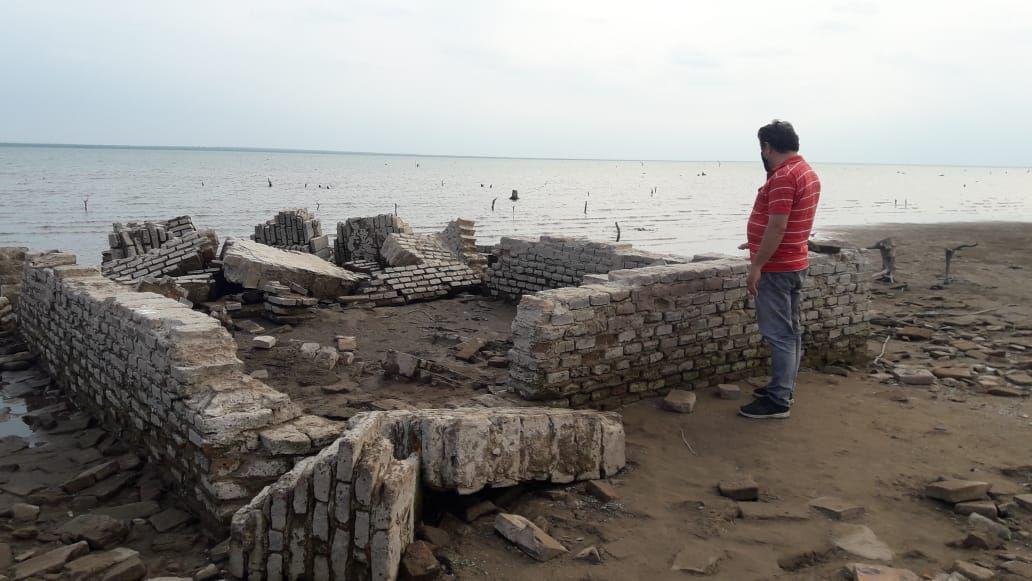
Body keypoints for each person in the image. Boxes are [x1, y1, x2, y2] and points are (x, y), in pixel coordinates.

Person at [737, 120, 821, 419]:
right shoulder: (806, 171)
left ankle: (779, 400)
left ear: (767, 146)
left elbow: (778, 225)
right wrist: (757, 244)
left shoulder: (784, 176)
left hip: (777, 267)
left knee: (779, 334)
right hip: (793, 260)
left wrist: (757, 264)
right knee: (791, 330)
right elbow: (792, 225)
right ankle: (783, 386)